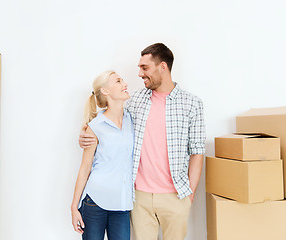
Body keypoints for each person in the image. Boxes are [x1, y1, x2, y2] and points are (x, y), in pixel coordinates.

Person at [79, 43, 205, 240]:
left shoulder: (192, 104)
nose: (139, 74)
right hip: (139, 197)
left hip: (176, 197)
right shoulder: (136, 100)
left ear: (162, 67)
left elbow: (197, 151)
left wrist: (190, 195)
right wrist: (87, 133)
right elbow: (112, 120)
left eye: (144, 68)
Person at [71, 71, 134, 240]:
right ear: (105, 91)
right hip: (94, 202)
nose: (125, 84)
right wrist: (74, 207)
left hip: (122, 205)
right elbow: (85, 168)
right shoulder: (95, 126)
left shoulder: (132, 120)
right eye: (118, 81)